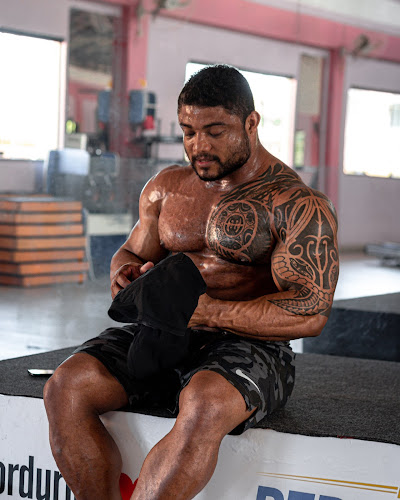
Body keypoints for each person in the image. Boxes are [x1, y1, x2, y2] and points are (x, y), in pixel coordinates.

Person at [44, 64, 339, 500]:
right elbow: (132, 253)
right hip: (163, 332)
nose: (198, 146)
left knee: (204, 403)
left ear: (251, 123)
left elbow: (310, 311)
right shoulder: (166, 188)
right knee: (66, 386)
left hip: (252, 345)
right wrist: (124, 273)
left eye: (215, 132)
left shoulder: (295, 203)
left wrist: (209, 312)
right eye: (188, 132)